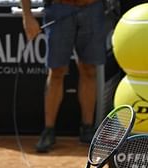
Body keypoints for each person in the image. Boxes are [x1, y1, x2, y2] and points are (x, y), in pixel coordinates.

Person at [20, 0, 106, 152]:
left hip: (92, 7)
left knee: (89, 69)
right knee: (57, 71)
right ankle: (49, 130)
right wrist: (27, 15)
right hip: (59, 8)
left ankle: (87, 128)